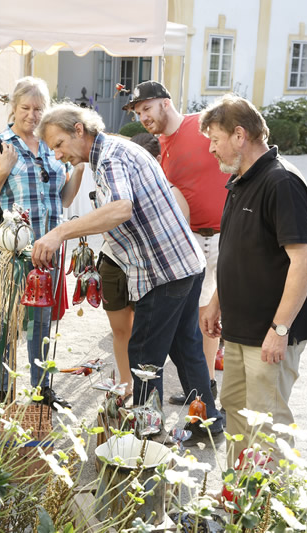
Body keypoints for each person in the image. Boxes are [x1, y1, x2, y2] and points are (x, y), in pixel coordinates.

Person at [32, 103, 224, 441]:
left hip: (165, 271)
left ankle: (148, 434)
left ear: (79, 130)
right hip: (183, 265)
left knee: (145, 357)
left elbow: (121, 208)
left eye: (59, 144)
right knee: (186, 349)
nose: (58, 155)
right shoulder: (113, 151)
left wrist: (61, 232)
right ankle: (207, 423)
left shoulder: (109, 158)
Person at [198, 95, 307, 459]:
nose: (211, 149)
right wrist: (216, 301)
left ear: (239, 135)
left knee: (267, 425)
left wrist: (280, 329)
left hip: (272, 332)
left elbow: (304, 262)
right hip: (241, 327)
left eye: (215, 139)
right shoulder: (240, 180)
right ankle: (237, 504)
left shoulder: (281, 182)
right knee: (237, 414)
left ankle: (269, 511)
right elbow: (241, 252)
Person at [0, 76, 84, 409]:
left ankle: (41, 391)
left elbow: (63, 200)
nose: (32, 115)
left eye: (39, 109)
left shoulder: (52, 148)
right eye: (26, 108)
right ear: (13, 107)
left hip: (48, 250)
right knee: (9, 322)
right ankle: (5, 393)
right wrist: (3, 171)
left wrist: (78, 168)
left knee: (42, 324)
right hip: (15, 253)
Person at [126, 80, 230, 408]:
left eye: (146, 108)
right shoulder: (158, 147)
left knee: (227, 313)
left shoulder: (200, 126)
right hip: (192, 241)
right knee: (201, 317)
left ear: (165, 103)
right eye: (138, 112)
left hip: (226, 233)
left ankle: (228, 392)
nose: (143, 116)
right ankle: (205, 388)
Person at [96, 132, 190, 400]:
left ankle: (145, 393)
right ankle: (126, 383)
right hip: (114, 263)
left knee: (146, 334)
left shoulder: (169, 193)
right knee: (121, 329)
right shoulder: (113, 183)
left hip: (151, 270)